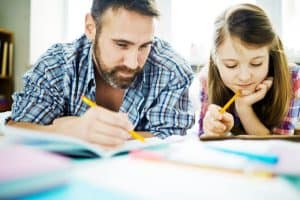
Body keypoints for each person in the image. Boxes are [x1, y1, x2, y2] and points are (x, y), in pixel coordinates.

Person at [10, 0, 195, 148]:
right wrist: (68, 132)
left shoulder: (172, 71)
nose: (133, 63)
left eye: (145, 46)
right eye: (121, 44)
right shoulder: (57, 65)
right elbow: (16, 130)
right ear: (91, 27)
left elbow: (172, 141)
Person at [198, 3, 300, 136]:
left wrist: (244, 109)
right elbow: (203, 140)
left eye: (256, 63)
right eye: (231, 65)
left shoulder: (292, 78)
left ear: (271, 56)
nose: (244, 77)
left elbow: (279, 145)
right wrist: (214, 131)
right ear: (215, 61)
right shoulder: (207, 79)